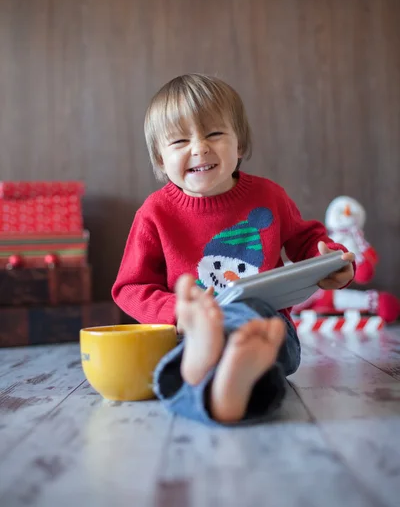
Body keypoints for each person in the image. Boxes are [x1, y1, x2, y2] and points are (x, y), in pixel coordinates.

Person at [112, 74, 355, 425]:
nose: (199, 148)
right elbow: (129, 287)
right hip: (190, 333)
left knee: (257, 332)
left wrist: (331, 261)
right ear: (161, 160)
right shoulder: (155, 213)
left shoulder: (269, 197)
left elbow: (307, 241)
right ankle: (227, 390)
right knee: (194, 347)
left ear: (239, 145)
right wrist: (179, 313)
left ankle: (214, 368)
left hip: (265, 328)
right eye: (180, 140)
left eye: (213, 134)